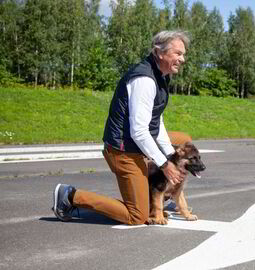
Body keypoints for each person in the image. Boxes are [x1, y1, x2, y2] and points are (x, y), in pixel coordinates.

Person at [52, 30, 191, 225]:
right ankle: (71, 196)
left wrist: (171, 155)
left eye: (183, 54)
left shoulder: (161, 76)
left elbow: (155, 119)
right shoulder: (145, 80)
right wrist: (165, 165)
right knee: (137, 216)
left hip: (136, 144)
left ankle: (158, 194)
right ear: (159, 53)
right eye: (178, 53)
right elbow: (139, 131)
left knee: (184, 142)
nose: (183, 59)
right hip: (123, 150)